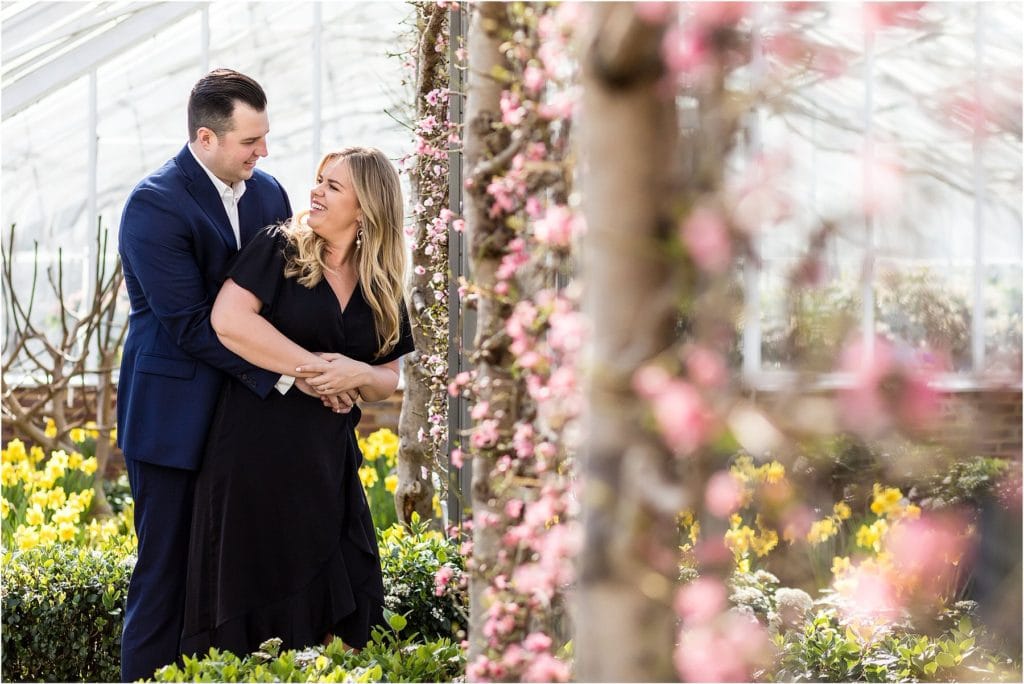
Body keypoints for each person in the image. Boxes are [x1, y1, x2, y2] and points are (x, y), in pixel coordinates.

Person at [179, 146, 415, 657]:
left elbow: (389, 378)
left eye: (334, 186)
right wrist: (313, 370)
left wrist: (356, 373)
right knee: (258, 592)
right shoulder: (279, 248)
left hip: (328, 460)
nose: (316, 192)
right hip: (254, 451)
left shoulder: (383, 279)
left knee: (348, 597)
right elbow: (229, 322)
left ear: (367, 206)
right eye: (318, 180)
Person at [116, 69, 303, 681]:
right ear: (205, 138)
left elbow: (282, 300)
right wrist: (287, 375)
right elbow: (191, 325)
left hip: (249, 422)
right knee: (166, 572)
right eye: (251, 141)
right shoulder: (154, 204)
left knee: (237, 577)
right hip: (173, 421)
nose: (264, 152)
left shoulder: (271, 195)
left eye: (265, 137)